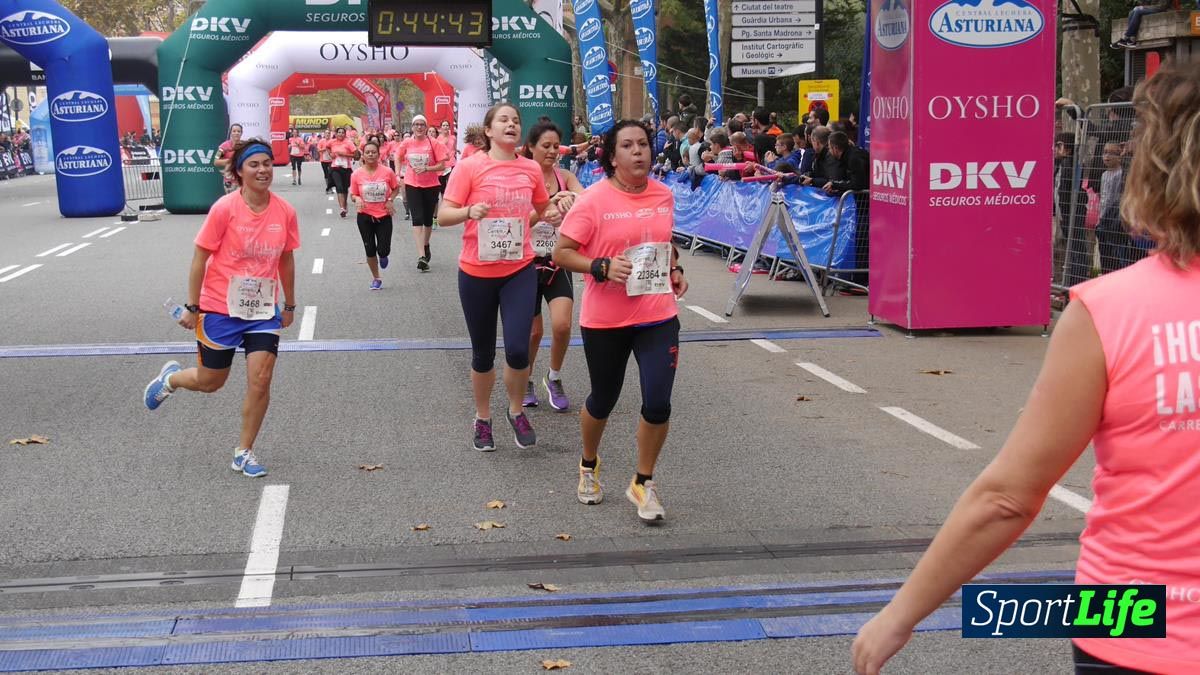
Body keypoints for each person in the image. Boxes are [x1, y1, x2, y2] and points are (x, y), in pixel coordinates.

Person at [852, 64, 1200, 675]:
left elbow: (1009, 497)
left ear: (1154, 168)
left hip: (1134, 620)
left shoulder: (1107, 312)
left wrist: (899, 616)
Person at [553, 119, 690, 523]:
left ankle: (643, 482)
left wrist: (675, 269)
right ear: (612, 157)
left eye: (643, 144)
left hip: (657, 314)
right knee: (603, 398)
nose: (638, 151)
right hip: (606, 320)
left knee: (658, 402)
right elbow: (562, 252)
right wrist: (600, 266)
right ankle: (588, 464)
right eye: (627, 146)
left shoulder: (663, 194)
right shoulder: (593, 200)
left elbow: (663, 242)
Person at [143, 138, 299, 478]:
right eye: (254, 165)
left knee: (261, 378)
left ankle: (244, 452)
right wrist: (193, 306)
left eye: (267, 164)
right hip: (219, 307)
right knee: (211, 381)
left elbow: (286, 259)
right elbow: (200, 258)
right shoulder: (224, 209)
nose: (262, 170)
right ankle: (171, 379)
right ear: (239, 171)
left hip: (262, 310)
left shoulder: (285, 211)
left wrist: (288, 304)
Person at [438, 102, 562, 452]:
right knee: (483, 354)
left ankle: (516, 411)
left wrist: (553, 212)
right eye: (503, 120)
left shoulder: (530, 169)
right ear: (489, 131)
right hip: (476, 273)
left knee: (519, 350)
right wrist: (468, 211)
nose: (511, 124)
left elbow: (543, 209)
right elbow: (443, 215)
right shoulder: (469, 167)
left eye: (516, 120)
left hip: (518, 270)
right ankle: (482, 418)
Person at [520, 119, 585, 411]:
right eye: (545, 146)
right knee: (533, 333)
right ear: (530, 147)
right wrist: (548, 205)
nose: (551, 151)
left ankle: (554, 377)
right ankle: (525, 379)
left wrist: (572, 199)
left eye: (556, 146)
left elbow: (586, 201)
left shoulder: (565, 176)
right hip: (526, 264)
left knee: (561, 325)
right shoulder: (522, 179)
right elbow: (518, 224)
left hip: (557, 261)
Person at [394, 115, 449, 271]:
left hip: (431, 185)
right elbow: (397, 156)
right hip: (412, 184)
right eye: (416, 124)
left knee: (427, 220)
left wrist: (427, 168)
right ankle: (421, 256)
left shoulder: (434, 143)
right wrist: (398, 174)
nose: (419, 127)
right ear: (412, 127)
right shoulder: (407, 142)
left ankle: (425, 245)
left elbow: (442, 166)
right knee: (417, 218)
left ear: (426, 127)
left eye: (422, 125)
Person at [349, 140, 401, 290]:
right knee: (370, 249)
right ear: (363, 155)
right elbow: (353, 194)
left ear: (379, 155)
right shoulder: (356, 174)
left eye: (373, 152)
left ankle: (383, 255)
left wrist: (390, 200)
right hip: (364, 216)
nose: (370, 154)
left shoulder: (387, 172)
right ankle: (376, 278)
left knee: (383, 249)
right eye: (367, 152)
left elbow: (396, 188)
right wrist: (357, 199)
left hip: (383, 215)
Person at [328, 127, 356, 218]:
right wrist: (330, 154)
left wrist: (344, 154)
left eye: (342, 132)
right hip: (335, 168)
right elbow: (327, 147)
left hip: (346, 168)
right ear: (336, 134)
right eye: (339, 132)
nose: (340, 134)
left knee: (344, 188)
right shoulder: (332, 142)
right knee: (339, 186)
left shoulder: (349, 143)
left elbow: (356, 155)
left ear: (345, 134)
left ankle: (344, 204)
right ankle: (342, 209)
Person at [213, 123, 243, 194]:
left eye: (238, 131)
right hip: (230, 181)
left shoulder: (244, 146)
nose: (236, 133)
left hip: (242, 180)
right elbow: (216, 161)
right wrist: (229, 161)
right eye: (234, 131)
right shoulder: (223, 146)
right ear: (230, 133)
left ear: (241, 133)